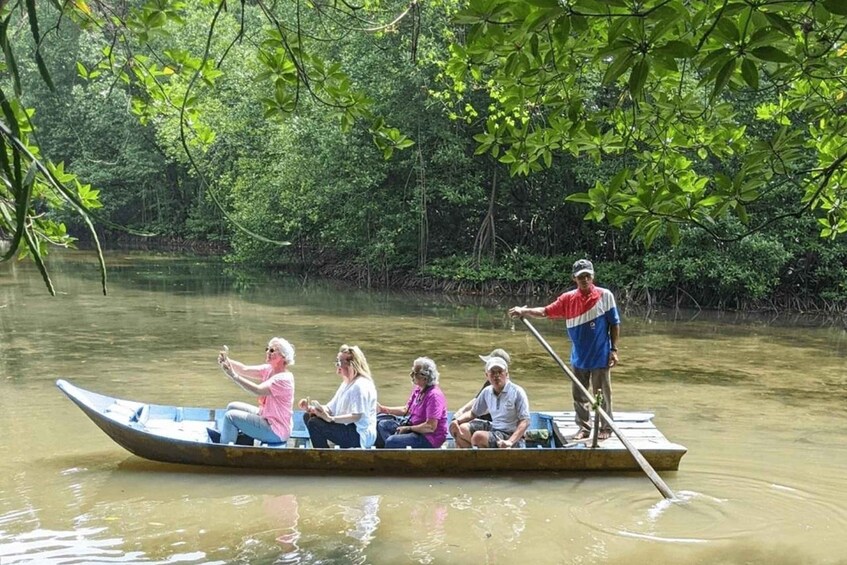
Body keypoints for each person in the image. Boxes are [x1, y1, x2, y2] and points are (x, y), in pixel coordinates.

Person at [509, 258, 620, 440]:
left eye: (587, 276)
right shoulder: (568, 299)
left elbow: (614, 324)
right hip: (579, 357)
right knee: (579, 395)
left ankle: (606, 427)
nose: (584, 280)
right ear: (574, 279)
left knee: (602, 395)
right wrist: (524, 311)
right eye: (580, 277)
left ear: (592, 276)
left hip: (601, 355)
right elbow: (545, 311)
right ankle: (584, 427)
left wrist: (614, 349)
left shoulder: (605, 295)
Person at [215, 337, 296, 445]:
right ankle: (236, 438)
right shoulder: (269, 369)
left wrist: (234, 376)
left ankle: (224, 451)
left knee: (230, 416)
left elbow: (257, 390)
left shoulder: (283, 380)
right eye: (267, 349)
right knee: (232, 406)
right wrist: (227, 361)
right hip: (266, 416)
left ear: (283, 357)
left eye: (272, 350)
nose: (268, 352)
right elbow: (244, 369)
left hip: (276, 430)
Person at [298, 344, 377, 448]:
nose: (337, 365)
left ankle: (323, 456)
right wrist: (312, 409)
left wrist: (331, 419)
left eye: (339, 362)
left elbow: (356, 416)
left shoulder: (359, 385)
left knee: (314, 423)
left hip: (359, 434)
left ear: (351, 365)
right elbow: (330, 408)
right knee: (308, 416)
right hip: (347, 427)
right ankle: (324, 450)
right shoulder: (346, 383)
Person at [449, 357, 530, 448]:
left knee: (478, 437)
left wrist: (510, 442)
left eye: (500, 372)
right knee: (460, 429)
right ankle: (473, 460)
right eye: (493, 372)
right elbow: (473, 413)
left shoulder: (517, 392)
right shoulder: (487, 391)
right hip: (494, 428)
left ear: (506, 374)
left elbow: (525, 421)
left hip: (511, 435)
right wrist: (457, 421)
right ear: (487, 375)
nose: (496, 376)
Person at [375, 357, 448, 449]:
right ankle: (395, 447)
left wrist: (408, 429)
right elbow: (407, 410)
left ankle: (394, 448)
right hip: (413, 426)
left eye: (415, 373)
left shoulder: (434, 396)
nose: (411, 375)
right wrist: (383, 409)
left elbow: (430, 427)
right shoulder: (419, 389)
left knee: (391, 441)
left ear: (425, 377)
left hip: (429, 437)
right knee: (382, 424)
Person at [451, 348, 511, 423]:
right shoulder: (489, 382)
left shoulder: (507, 387)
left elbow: (488, 409)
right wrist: (461, 412)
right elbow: (477, 400)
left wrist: (465, 416)